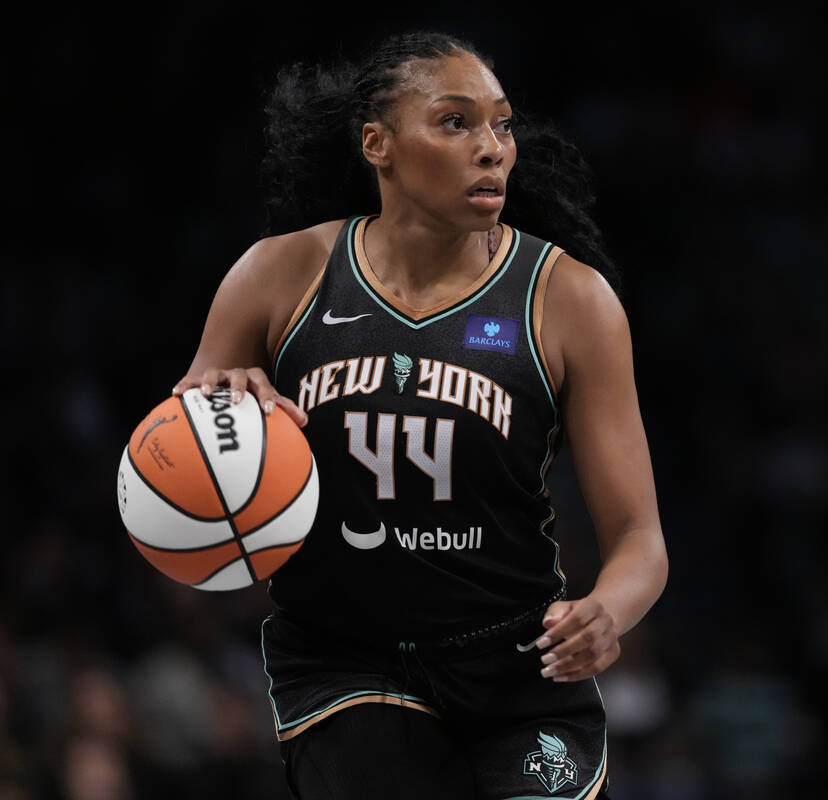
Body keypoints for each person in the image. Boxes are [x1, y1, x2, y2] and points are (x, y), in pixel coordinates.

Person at [170, 30, 668, 799]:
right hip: (345, 662)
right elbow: (180, 451)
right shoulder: (280, 274)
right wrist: (219, 398)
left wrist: (607, 610)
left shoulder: (568, 299)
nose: (493, 147)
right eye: (455, 121)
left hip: (517, 667)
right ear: (378, 144)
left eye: (502, 124)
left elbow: (639, 538)